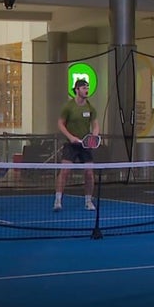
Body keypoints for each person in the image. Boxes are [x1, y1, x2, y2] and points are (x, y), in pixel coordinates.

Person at [54, 78, 100, 212]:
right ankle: (57, 200)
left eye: (87, 87)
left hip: (85, 146)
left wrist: (94, 136)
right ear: (77, 90)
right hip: (71, 144)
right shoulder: (68, 107)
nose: (87, 90)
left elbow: (95, 125)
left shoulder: (90, 107)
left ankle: (88, 201)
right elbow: (60, 124)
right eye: (84, 88)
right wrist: (70, 137)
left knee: (89, 173)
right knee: (65, 172)